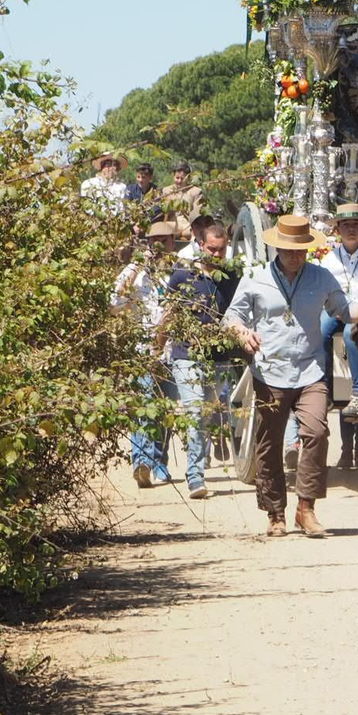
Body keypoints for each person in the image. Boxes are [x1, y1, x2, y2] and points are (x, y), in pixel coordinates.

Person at [223, 214, 358, 538]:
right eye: (289, 250)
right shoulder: (255, 278)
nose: (296, 256)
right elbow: (232, 316)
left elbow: (344, 310)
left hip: (310, 370)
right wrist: (242, 333)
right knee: (268, 444)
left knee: (317, 432)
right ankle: (275, 513)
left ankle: (306, 509)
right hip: (269, 371)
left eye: (301, 250)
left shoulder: (322, 277)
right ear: (277, 249)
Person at [157, 219, 239, 499]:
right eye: (212, 249)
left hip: (219, 358)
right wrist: (158, 348)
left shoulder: (231, 279)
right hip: (186, 355)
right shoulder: (182, 276)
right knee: (193, 412)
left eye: (221, 250)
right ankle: (195, 478)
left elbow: (238, 315)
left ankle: (198, 464)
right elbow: (168, 315)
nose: (217, 255)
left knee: (205, 414)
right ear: (200, 245)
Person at [113, 221, 179, 487]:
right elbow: (114, 302)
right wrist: (138, 267)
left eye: (166, 240)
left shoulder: (179, 270)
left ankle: (159, 463)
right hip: (142, 351)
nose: (161, 246)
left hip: (173, 352)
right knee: (142, 408)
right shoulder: (134, 272)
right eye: (156, 241)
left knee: (166, 410)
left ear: (173, 242)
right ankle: (140, 461)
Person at [318, 203, 358, 425]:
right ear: (337, 230)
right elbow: (322, 291)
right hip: (334, 309)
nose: (350, 229)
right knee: (321, 331)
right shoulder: (328, 259)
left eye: (355, 224)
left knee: (352, 334)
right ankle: (324, 388)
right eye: (345, 225)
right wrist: (336, 310)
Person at [161, 161, 205, 239]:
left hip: (188, 225)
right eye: (177, 178)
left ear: (188, 178)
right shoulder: (166, 191)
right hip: (172, 223)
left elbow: (197, 214)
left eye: (182, 178)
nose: (179, 181)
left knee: (191, 233)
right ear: (173, 176)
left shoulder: (195, 192)